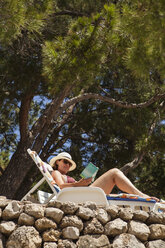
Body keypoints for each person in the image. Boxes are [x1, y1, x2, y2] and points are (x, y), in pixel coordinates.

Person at [50, 152, 158, 200]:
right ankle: (142, 195)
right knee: (114, 172)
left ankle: (141, 197)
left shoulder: (68, 177)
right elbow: (61, 186)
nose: (67, 165)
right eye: (65, 161)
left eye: (69, 163)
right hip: (80, 198)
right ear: (57, 162)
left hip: (83, 195)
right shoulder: (56, 173)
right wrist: (78, 183)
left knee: (119, 195)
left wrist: (83, 183)